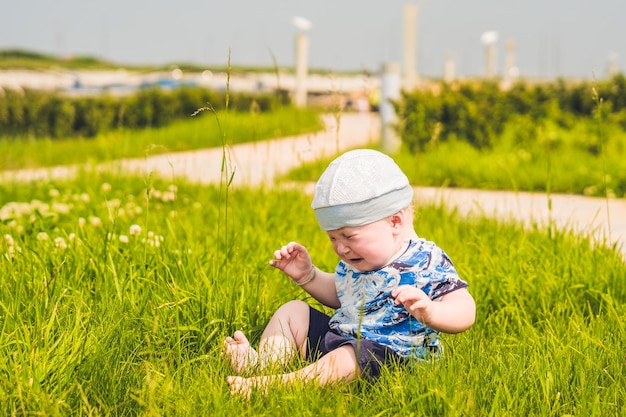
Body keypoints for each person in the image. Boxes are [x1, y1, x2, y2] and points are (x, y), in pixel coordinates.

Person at [223, 149, 476, 397]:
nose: (341, 248)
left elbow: (464, 308)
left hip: (393, 359)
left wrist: (432, 312)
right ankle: (263, 365)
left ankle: (278, 385)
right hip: (341, 338)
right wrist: (308, 276)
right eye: (332, 238)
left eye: (349, 236)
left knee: (350, 357)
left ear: (394, 222)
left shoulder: (426, 260)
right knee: (293, 312)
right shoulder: (357, 260)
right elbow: (341, 294)